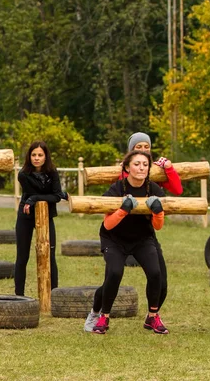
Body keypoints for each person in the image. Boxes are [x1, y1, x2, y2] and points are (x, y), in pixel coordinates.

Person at [84, 132, 181, 331]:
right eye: (136, 164)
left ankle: (153, 317)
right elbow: (108, 225)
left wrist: (158, 212)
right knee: (114, 273)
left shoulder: (153, 189)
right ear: (127, 167)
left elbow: (158, 226)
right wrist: (123, 209)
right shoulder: (116, 188)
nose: (141, 168)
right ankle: (103, 317)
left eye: (145, 165)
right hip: (114, 238)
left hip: (142, 238)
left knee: (156, 274)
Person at [14, 141, 68, 296]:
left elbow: (56, 196)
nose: (36, 158)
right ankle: (19, 295)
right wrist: (34, 198)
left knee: (50, 255)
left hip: (46, 216)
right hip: (26, 215)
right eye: (33, 155)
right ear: (29, 156)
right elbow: (36, 194)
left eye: (40, 155)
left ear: (45, 157)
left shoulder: (52, 172)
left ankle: (54, 294)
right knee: (22, 256)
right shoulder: (23, 174)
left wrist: (35, 198)